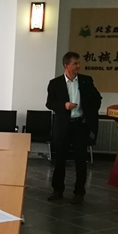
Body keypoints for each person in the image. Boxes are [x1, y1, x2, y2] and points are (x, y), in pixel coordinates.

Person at [46, 51, 102, 204]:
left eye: (78, 63)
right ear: (66, 66)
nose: (78, 66)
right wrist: (64, 105)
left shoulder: (86, 81)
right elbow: (50, 103)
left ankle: (79, 193)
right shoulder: (55, 83)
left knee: (80, 160)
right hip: (62, 126)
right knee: (60, 160)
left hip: (79, 125)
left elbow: (97, 98)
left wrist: (89, 114)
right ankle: (58, 190)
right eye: (75, 63)